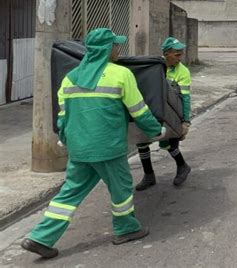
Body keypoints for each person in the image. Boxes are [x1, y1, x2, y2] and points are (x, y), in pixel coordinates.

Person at [21, 28, 166, 259]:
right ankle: (125, 228)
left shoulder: (70, 78)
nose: (118, 49)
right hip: (108, 147)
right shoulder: (120, 74)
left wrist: (66, 140)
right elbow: (139, 110)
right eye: (115, 45)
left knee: (69, 195)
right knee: (121, 188)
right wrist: (156, 130)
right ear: (108, 49)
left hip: (79, 149)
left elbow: (62, 117)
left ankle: (40, 237)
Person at [135, 37, 192, 191]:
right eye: (176, 54)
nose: (180, 58)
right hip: (154, 108)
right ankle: (149, 175)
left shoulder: (183, 71)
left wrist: (186, 121)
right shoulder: (155, 66)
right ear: (166, 54)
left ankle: (182, 166)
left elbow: (185, 98)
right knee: (142, 142)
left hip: (173, 111)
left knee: (169, 143)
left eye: (181, 54)